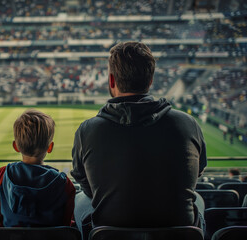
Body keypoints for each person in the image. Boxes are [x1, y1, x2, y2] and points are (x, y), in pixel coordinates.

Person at [71, 42, 207, 238]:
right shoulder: (188, 123)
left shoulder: (87, 130)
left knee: (80, 200)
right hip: (178, 233)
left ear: (111, 80)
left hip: (110, 233)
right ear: (150, 80)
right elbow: (198, 171)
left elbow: (83, 180)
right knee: (199, 200)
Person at [0, 109, 75, 227]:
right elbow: (65, 225)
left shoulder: (2, 174)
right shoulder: (65, 184)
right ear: (50, 147)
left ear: (16, 146)